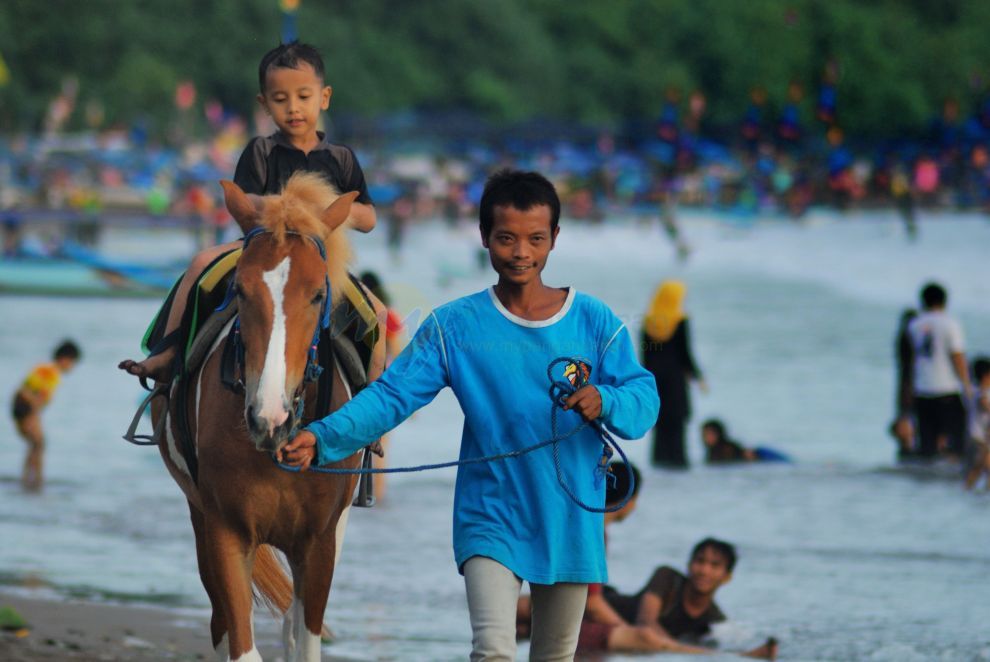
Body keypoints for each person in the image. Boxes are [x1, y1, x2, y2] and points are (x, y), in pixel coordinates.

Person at [278, 169, 660, 660]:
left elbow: (643, 399)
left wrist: (604, 400)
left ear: (554, 240)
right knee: (493, 651)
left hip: (571, 516)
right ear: (484, 238)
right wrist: (323, 436)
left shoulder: (595, 320)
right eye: (506, 238)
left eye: (535, 239)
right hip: (490, 512)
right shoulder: (454, 326)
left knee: (555, 654)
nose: (521, 251)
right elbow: (393, 396)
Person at [119, 41, 376, 383]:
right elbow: (248, 201)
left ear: (324, 97)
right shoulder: (261, 150)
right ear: (265, 104)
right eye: (280, 99)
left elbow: (369, 218)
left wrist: (328, 213)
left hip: (320, 260)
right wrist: (284, 207)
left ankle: (375, 408)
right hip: (261, 250)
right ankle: (167, 351)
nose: (293, 108)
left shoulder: (342, 158)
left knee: (380, 317)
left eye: (303, 96)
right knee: (199, 264)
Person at [600, 539, 775, 658]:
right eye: (700, 561)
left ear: (727, 577)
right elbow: (645, 622)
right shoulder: (667, 578)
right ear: (689, 565)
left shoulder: (714, 619)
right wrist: (679, 650)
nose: (704, 570)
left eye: (715, 565)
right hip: (600, 609)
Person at [641, 280, 706, 467]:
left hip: (655, 382)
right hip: (676, 382)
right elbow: (685, 353)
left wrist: (643, 383)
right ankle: (678, 468)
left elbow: (645, 355)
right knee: (677, 428)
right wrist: (698, 377)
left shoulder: (649, 322)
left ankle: (659, 466)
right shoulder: (680, 321)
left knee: (659, 428)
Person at [358, 270, 408, 500]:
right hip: (383, 386)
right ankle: (377, 496)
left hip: (357, 382)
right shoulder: (389, 316)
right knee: (380, 447)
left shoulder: (354, 311)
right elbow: (399, 355)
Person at [907, 283, 971, 459]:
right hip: (947, 388)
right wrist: (967, 385)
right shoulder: (950, 324)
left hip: (922, 389)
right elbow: (957, 356)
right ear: (944, 301)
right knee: (956, 442)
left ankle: (927, 481)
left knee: (927, 443)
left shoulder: (914, 325)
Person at [10, 340, 81, 491]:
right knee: (39, 443)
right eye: (72, 363)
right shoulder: (51, 372)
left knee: (35, 444)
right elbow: (32, 393)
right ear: (65, 359)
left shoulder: (44, 368)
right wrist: (34, 415)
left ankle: (28, 479)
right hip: (27, 407)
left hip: (22, 405)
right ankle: (36, 481)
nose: (72, 367)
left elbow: (24, 389)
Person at [890, 309, 918, 459]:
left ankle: (905, 453)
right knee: (908, 419)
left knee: (904, 416)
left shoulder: (901, 341)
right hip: (912, 384)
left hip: (904, 384)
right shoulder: (911, 342)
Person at [965, 357, 990, 489]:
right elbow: (984, 403)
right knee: (979, 468)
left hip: (980, 439)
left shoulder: (974, 391)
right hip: (978, 438)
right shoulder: (980, 392)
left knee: (980, 468)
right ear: (986, 376)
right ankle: (967, 489)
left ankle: (969, 489)